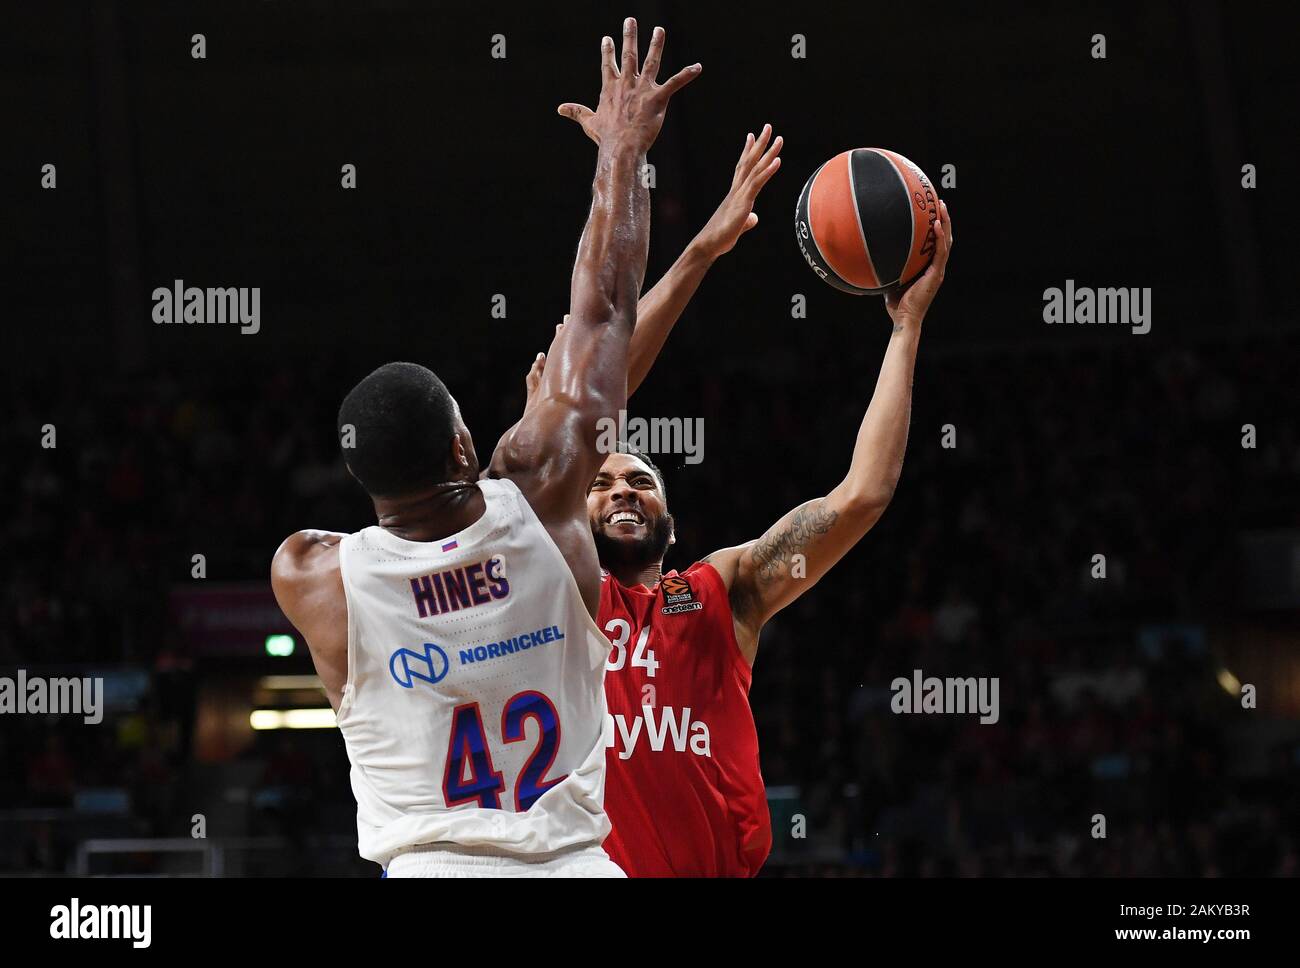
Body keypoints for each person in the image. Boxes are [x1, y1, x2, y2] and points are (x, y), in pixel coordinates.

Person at [270, 19, 699, 878]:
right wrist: (622, 150)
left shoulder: (312, 576)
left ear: (359, 479)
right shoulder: (541, 495)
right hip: (576, 861)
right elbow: (607, 308)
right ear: (467, 441)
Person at [523, 170, 953, 875]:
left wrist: (906, 328)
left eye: (641, 481)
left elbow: (862, 495)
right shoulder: (553, 591)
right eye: (600, 484)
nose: (623, 491)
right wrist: (700, 252)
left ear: (672, 518)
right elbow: (593, 393)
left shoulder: (721, 591)